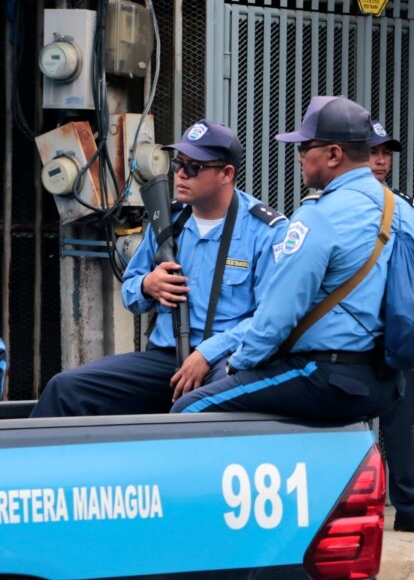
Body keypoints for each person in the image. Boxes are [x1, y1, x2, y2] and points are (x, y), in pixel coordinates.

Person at [172, 97, 414, 421]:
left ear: (334, 155)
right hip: (387, 382)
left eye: (305, 148)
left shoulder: (319, 214)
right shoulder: (404, 211)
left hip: (325, 377)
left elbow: (278, 314)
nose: (300, 157)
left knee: (187, 408)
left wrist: (235, 365)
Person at [31, 120, 287, 417]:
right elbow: (130, 291)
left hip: (224, 360)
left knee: (204, 406)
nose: (180, 174)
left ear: (226, 174)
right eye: (178, 163)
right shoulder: (168, 220)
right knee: (65, 388)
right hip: (166, 358)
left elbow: (271, 319)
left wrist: (208, 352)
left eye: (193, 167)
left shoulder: (266, 231)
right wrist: (147, 285)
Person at [369, 119, 414, 535]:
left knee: (399, 428)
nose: (381, 161)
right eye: (374, 152)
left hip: (398, 333)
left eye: (386, 154)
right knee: (348, 428)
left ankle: (411, 510)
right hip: (356, 333)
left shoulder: (406, 205)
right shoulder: (331, 204)